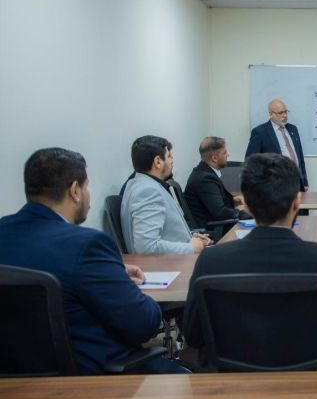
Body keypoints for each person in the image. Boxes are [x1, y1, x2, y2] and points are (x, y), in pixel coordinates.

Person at [0, 148, 186, 374]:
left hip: (14, 378)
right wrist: (121, 286)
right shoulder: (87, 245)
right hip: (93, 378)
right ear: (74, 191)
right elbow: (143, 324)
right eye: (86, 186)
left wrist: (109, 273)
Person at [183, 153, 317, 353]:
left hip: (234, 370)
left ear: (247, 205)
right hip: (312, 368)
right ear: (297, 203)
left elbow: (193, 335)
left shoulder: (210, 261)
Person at [121, 135, 211, 254]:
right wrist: (191, 247)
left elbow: (164, 231)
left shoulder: (136, 183)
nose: (172, 161)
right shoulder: (148, 191)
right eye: (169, 156)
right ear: (158, 162)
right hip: (174, 264)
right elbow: (147, 247)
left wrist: (191, 237)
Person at [184, 136, 249, 238]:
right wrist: (242, 213)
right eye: (224, 153)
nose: (228, 155)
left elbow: (213, 201)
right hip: (211, 231)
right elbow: (220, 212)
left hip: (214, 224)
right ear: (214, 158)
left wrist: (233, 201)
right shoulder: (205, 179)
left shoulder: (203, 172)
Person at [245, 99, 308, 192]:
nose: (285, 115)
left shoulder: (293, 129)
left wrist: (305, 182)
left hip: (297, 182)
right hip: (274, 185)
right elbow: (250, 161)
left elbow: (300, 157)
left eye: (286, 111)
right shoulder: (260, 132)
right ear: (271, 114)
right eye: (281, 113)